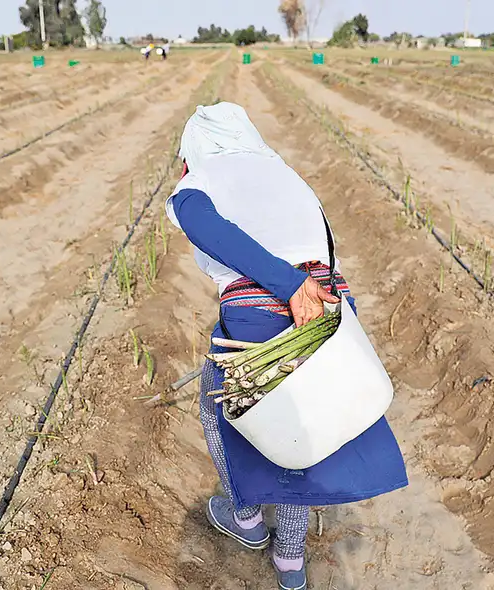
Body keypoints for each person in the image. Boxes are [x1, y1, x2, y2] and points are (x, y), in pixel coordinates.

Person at [165, 102, 408, 590]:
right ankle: (291, 558)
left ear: (196, 149)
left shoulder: (202, 180)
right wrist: (307, 290)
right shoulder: (284, 174)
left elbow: (200, 224)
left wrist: (285, 284)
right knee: (304, 425)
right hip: (328, 303)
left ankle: (247, 519)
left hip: (272, 304)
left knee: (222, 409)